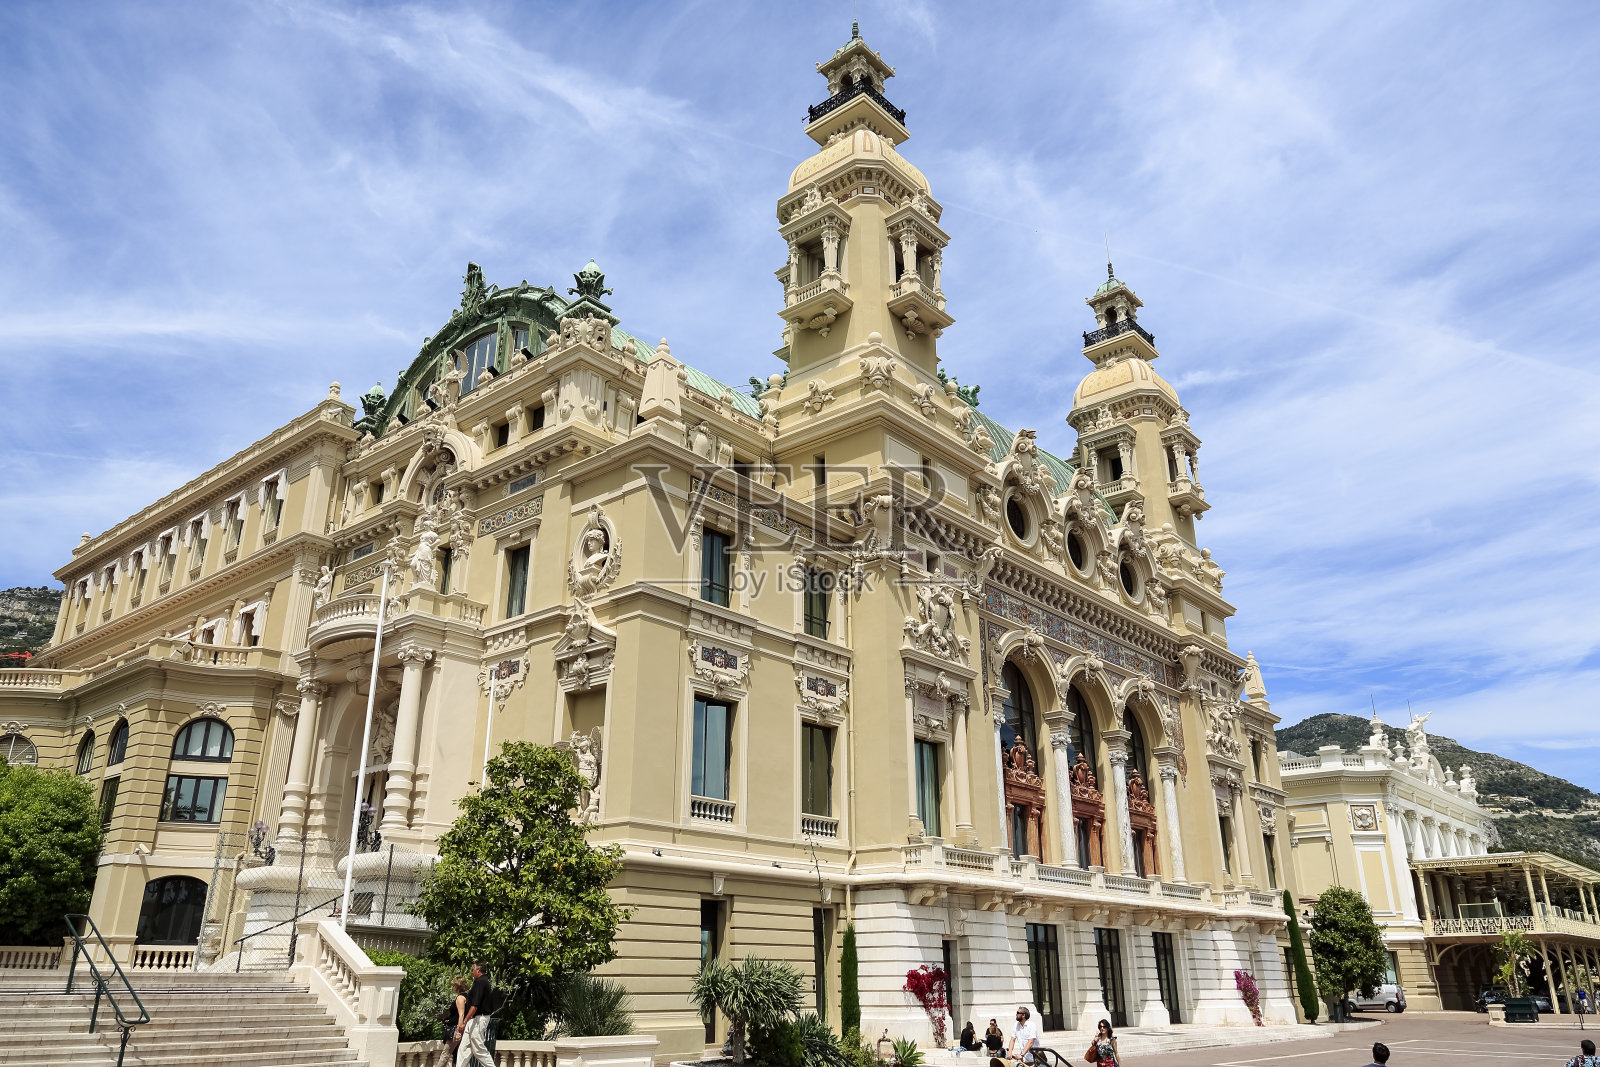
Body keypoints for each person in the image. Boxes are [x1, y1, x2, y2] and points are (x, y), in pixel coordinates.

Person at [456, 962, 497, 1067]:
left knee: (478, 1049)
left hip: (479, 1019)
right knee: (463, 1049)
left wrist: (464, 1021)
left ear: (478, 970)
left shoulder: (481, 982)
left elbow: (475, 1005)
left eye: (472, 969)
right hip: (473, 1020)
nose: (472, 971)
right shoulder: (480, 981)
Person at [438, 977, 468, 1066]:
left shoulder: (460, 998)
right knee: (458, 1054)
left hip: (456, 1028)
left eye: (453, 986)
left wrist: (458, 1032)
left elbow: (461, 1015)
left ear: (456, 986)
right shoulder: (468, 997)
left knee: (445, 1053)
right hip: (464, 1028)